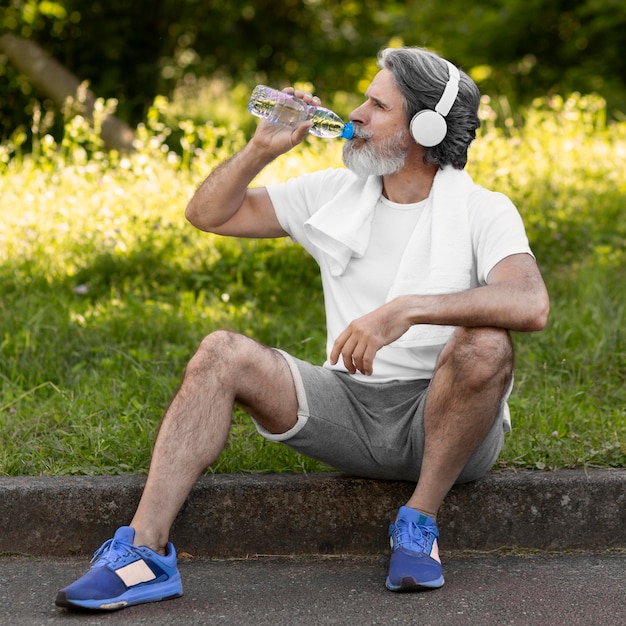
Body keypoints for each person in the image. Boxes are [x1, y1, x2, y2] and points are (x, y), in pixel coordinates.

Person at [56, 46, 549, 611]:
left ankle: (419, 522)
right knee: (222, 352)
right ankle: (142, 553)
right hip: (348, 404)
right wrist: (260, 149)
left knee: (486, 341)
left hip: (448, 422)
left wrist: (407, 309)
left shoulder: (485, 209)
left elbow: (530, 303)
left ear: (424, 126)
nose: (355, 114)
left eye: (376, 104)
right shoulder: (335, 193)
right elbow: (209, 214)